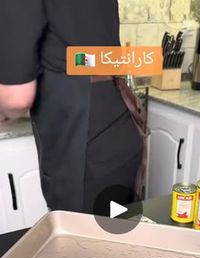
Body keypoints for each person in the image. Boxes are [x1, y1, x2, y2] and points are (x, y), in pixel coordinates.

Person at [0, 0, 143, 214]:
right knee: (114, 234)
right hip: (118, 119)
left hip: (80, 137)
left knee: (82, 239)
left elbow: (16, 98)